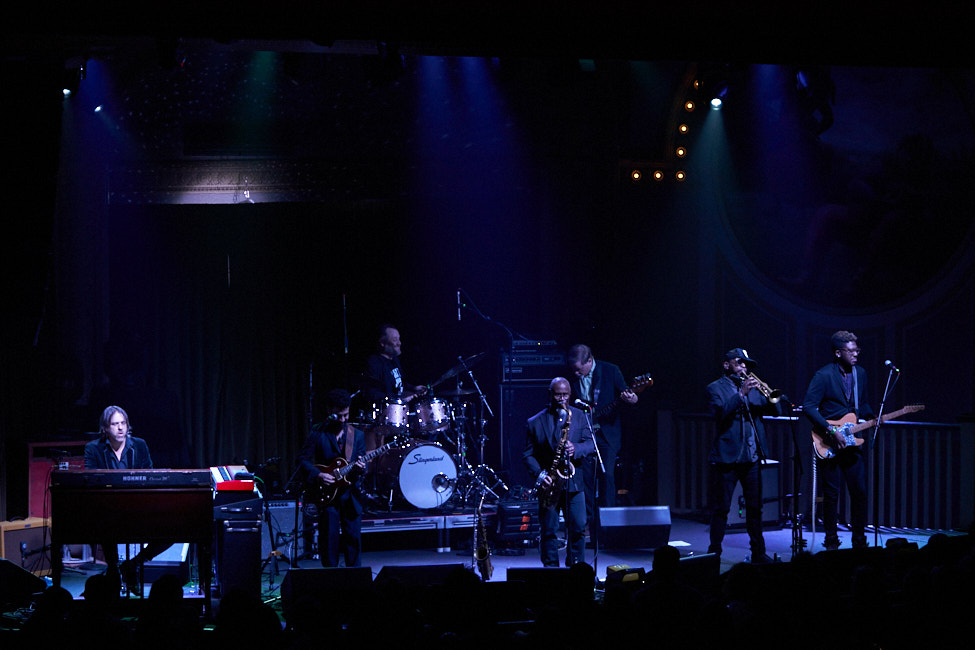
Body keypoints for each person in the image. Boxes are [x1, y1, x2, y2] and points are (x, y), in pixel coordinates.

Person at [84, 405, 171, 595]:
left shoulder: (139, 445)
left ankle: (133, 565)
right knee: (105, 524)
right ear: (105, 428)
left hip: (138, 509)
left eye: (123, 423)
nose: (120, 428)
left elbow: (149, 476)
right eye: (115, 424)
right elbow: (90, 479)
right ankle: (114, 569)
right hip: (107, 510)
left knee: (172, 531)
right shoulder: (93, 448)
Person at [705, 348, 780, 563]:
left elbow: (774, 411)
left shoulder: (753, 388)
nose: (744, 368)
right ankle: (714, 554)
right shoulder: (714, 388)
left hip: (752, 456)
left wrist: (771, 397)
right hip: (727, 457)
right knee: (721, 509)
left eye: (746, 364)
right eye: (740, 363)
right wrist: (741, 395)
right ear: (726, 364)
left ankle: (758, 552)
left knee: (755, 508)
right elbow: (719, 414)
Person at [802, 330, 873, 551]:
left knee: (859, 492)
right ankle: (831, 540)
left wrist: (872, 418)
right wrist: (831, 431)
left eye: (857, 350)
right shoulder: (823, 375)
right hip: (829, 442)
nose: (856, 354)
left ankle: (859, 541)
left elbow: (863, 404)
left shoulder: (860, 373)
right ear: (838, 352)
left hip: (852, 442)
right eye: (851, 351)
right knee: (831, 495)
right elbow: (809, 407)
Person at [523, 377, 594, 567]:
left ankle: (576, 565)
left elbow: (591, 444)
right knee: (548, 530)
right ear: (550, 394)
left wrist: (576, 449)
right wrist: (540, 475)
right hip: (549, 483)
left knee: (579, 526)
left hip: (574, 482)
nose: (562, 399)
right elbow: (528, 455)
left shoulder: (580, 416)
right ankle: (551, 568)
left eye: (565, 395)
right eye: (558, 394)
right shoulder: (535, 422)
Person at [567, 344, 639, 529]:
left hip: (607, 434)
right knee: (586, 480)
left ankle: (609, 526)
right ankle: (589, 525)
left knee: (607, 477)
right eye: (573, 369)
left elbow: (628, 395)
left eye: (579, 369)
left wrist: (632, 398)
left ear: (589, 361)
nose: (576, 373)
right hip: (583, 434)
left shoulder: (611, 370)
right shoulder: (572, 375)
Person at [297, 388, 367, 567]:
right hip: (327, 496)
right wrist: (318, 475)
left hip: (351, 495)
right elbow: (302, 460)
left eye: (346, 415)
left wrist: (360, 468)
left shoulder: (357, 435)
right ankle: (330, 581)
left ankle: (356, 581)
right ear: (329, 411)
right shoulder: (318, 432)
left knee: (353, 541)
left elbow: (361, 466)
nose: (344, 420)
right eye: (340, 415)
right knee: (329, 541)